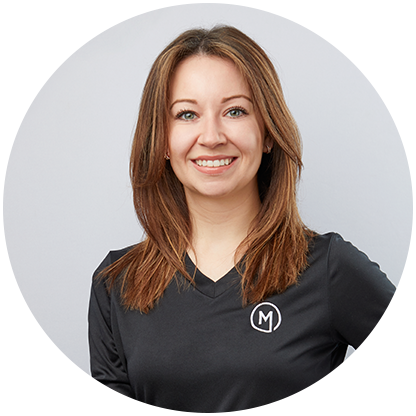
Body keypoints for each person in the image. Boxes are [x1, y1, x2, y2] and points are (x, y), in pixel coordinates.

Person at [87, 25, 412, 412]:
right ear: (162, 142)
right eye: (187, 114)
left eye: (235, 111)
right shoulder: (117, 284)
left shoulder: (327, 269)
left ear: (268, 132)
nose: (211, 136)